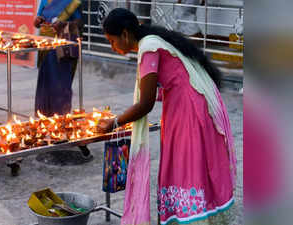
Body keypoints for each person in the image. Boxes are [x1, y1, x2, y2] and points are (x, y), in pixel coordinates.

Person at [98, 8, 236, 225]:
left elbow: (145, 104)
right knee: (188, 163)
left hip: (190, 111)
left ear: (124, 34)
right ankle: (194, 215)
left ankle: (191, 217)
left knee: (188, 164)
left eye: (112, 41)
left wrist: (114, 122)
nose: (112, 47)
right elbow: (172, 80)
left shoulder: (149, 47)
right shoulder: (153, 42)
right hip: (188, 106)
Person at [33, 0, 83, 117]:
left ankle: (61, 118)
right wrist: (37, 21)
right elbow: (38, 20)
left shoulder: (73, 1)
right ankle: (43, 117)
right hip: (45, 46)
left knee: (61, 83)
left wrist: (64, 24)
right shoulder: (45, 0)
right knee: (45, 82)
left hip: (63, 47)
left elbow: (80, 23)